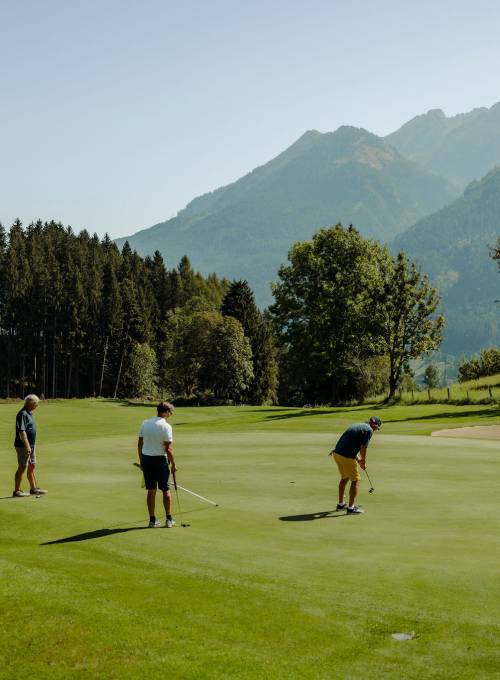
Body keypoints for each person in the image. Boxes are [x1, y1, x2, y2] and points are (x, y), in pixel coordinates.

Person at [329, 416, 381, 514]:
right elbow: (363, 447)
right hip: (345, 456)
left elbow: (352, 446)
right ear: (374, 425)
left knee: (345, 478)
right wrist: (363, 461)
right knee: (356, 480)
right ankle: (351, 508)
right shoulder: (368, 430)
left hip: (337, 454)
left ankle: (341, 504)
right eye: (376, 428)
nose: (375, 430)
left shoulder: (359, 426)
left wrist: (360, 461)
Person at [137, 401, 177, 528]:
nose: (170, 415)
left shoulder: (145, 423)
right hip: (160, 461)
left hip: (147, 460)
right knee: (165, 490)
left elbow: (140, 444)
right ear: (165, 412)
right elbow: (168, 449)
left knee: (151, 490)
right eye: (170, 412)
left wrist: (142, 461)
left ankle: (152, 520)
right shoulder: (166, 426)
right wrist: (174, 464)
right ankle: (169, 519)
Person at [13, 394, 47, 497]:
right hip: (23, 446)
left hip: (31, 445)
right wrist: (27, 446)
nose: (37, 406)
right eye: (36, 404)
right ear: (31, 403)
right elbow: (22, 432)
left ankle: (34, 489)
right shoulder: (22, 414)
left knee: (32, 466)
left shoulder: (29, 413)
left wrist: (31, 446)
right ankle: (17, 491)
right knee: (23, 467)